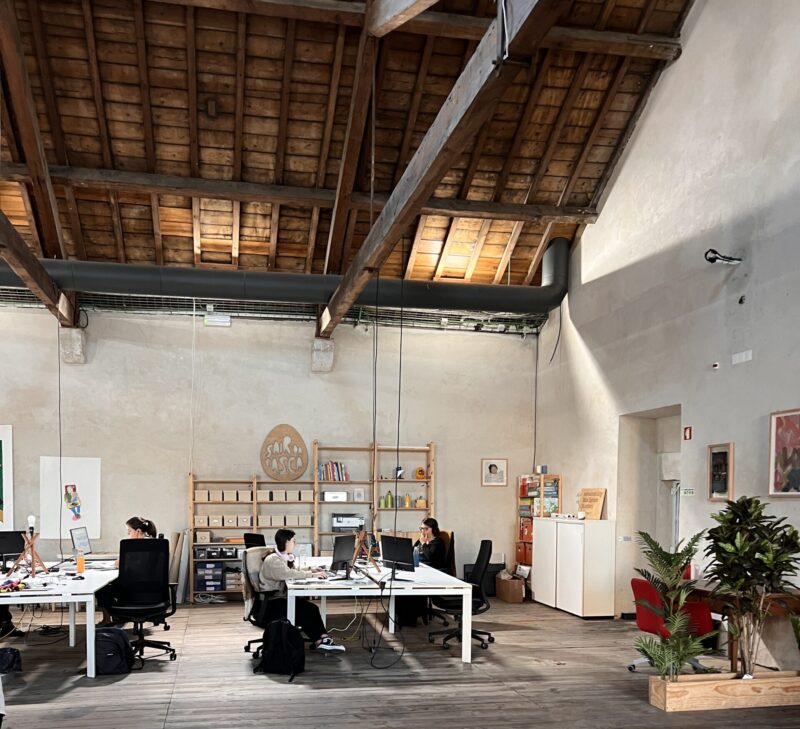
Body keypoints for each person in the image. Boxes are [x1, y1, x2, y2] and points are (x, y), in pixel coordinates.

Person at [258, 529, 345, 652]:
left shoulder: (280, 557)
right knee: (306, 610)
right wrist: (312, 575)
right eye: (294, 541)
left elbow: (292, 570)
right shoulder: (273, 560)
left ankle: (322, 640)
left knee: (310, 608)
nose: (296, 544)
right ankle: (321, 640)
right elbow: (288, 573)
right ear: (286, 542)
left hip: (278, 599)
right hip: (271, 604)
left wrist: (311, 569)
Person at [96, 516, 158, 627]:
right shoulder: (155, 544)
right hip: (153, 592)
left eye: (129, 531)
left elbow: (119, 563)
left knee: (102, 589)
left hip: (131, 591)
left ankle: (109, 619)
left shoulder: (133, 547)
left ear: (138, 531)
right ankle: (118, 617)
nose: (128, 534)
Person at [395, 518, 448, 628]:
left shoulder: (438, 542)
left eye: (426, 529)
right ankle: (399, 617)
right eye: (421, 528)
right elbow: (411, 550)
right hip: (418, 569)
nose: (423, 531)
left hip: (431, 573)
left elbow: (430, 556)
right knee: (400, 586)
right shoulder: (420, 540)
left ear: (433, 529)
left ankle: (409, 620)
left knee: (410, 588)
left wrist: (424, 544)